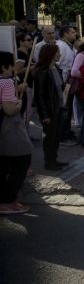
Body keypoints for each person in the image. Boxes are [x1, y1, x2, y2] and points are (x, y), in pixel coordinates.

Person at [0, 52, 33, 214]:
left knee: (4, 164)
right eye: (11, 65)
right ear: (4, 67)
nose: (14, 68)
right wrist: (18, 103)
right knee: (22, 160)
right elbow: (9, 109)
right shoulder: (5, 82)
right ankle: (6, 200)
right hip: (8, 127)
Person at [33, 44, 68, 171]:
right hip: (50, 110)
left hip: (58, 107)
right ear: (50, 54)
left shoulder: (56, 68)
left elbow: (59, 87)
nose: (59, 54)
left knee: (56, 136)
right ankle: (49, 162)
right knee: (50, 137)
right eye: (57, 52)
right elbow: (39, 96)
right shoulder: (42, 72)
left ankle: (54, 159)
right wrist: (45, 115)